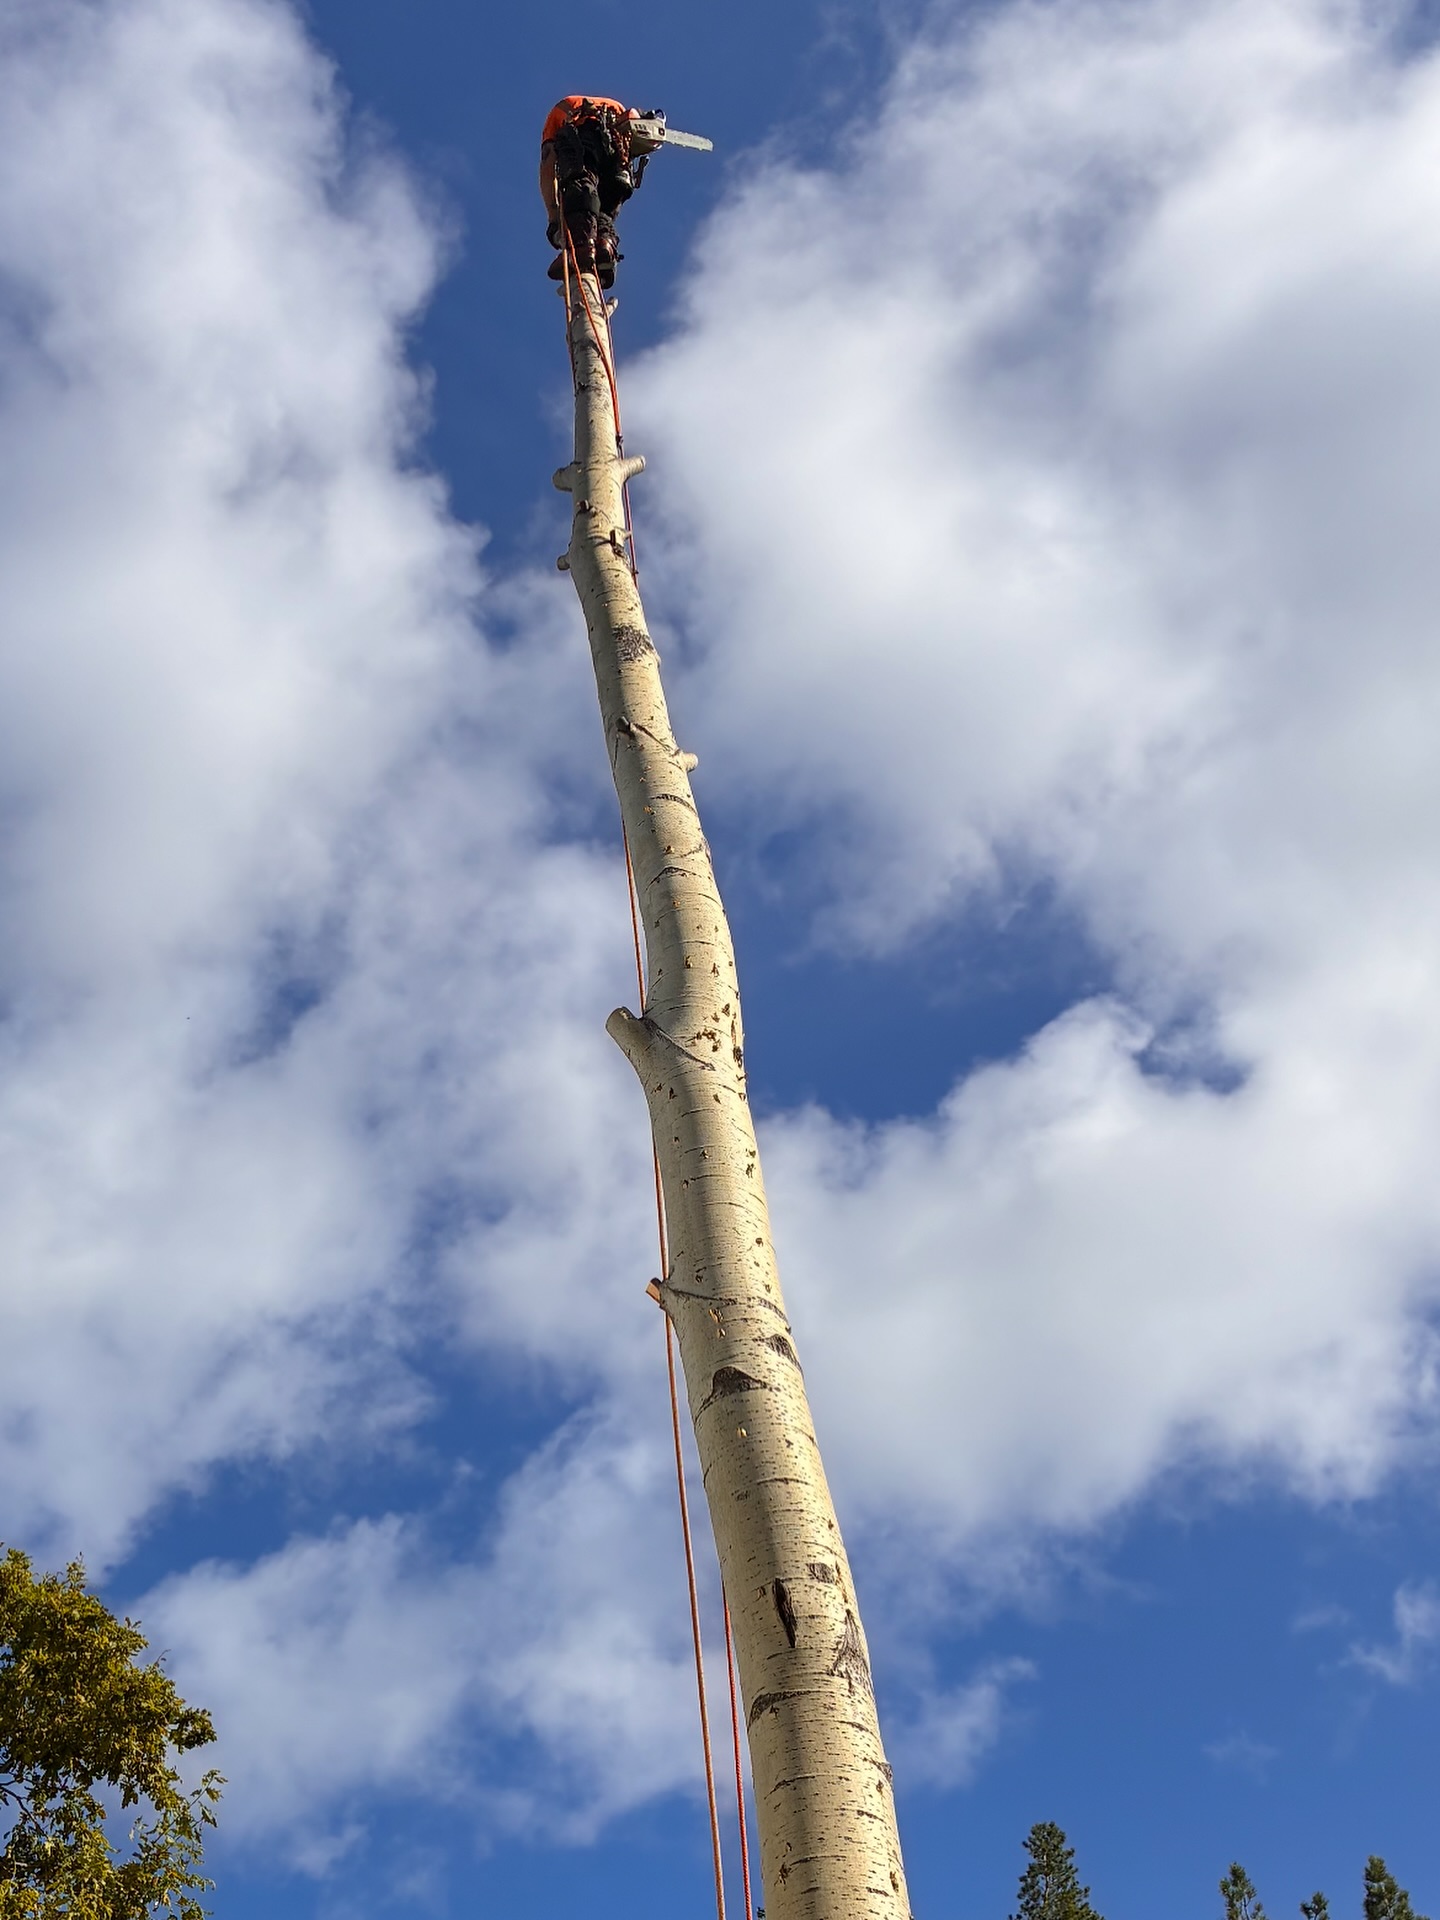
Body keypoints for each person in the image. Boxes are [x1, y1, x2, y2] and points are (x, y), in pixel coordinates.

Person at [539, 96, 650, 289]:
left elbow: (548, 161)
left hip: (585, 137)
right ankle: (605, 247)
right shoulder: (617, 107)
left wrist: (553, 218)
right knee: (605, 208)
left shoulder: (558, 114)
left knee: (582, 185)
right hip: (619, 156)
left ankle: (581, 248)